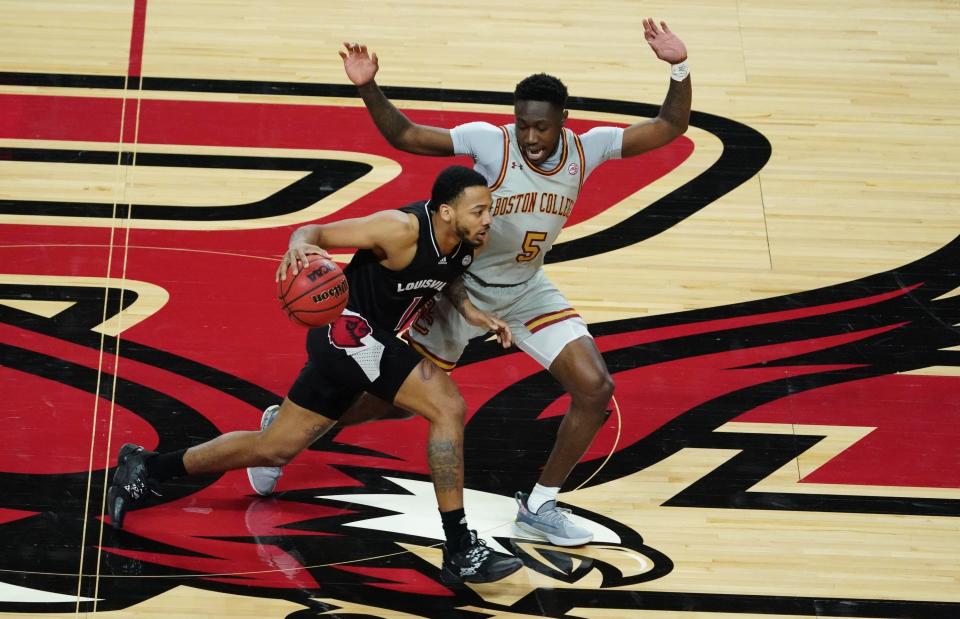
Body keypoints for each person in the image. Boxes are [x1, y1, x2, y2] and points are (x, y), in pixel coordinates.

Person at [339, 17, 691, 547]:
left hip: (527, 289)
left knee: (596, 389)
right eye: (523, 124)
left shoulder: (587, 148)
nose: (530, 137)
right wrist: (368, 88)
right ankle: (303, 420)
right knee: (390, 401)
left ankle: (540, 504)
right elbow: (407, 135)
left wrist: (679, 68)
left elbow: (669, 127)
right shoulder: (490, 142)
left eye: (542, 127)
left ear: (563, 122)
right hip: (458, 290)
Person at [107, 165, 523, 585]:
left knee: (276, 447)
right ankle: (459, 547)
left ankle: (148, 468)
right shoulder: (398, 229)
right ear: (447, 213)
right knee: (447, 406)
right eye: (478, 211)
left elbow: (444, 276)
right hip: (348, 332)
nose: (488, 218)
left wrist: (471, 311)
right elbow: (315, 232)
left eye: (488, 210)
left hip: (362, 343)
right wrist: (298, 248)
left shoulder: (469, 241)